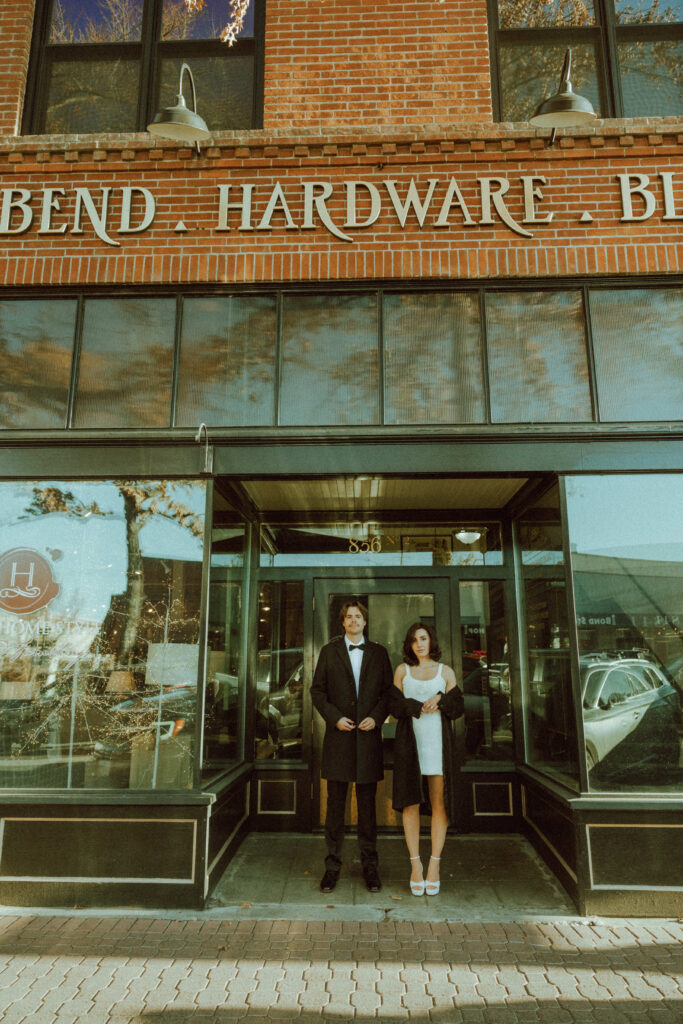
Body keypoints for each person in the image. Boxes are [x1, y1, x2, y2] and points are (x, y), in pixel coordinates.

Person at [311, 599, 393, 894]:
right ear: (342, 622)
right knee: (335, 808)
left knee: (368, 809)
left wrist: (376, 717)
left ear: (364, 622)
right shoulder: (328, 652)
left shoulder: (379, 653)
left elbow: (388, 693)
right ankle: (332, 868)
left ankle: (370, 867)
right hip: (339, 739)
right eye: (349, 617)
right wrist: (334, 718)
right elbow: (317, 690)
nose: (354, 620)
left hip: (369, 739)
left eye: (358, 616)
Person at [390, 622, 464, 896]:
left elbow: (458, 707)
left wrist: (441, 698)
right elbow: (393, 705)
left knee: (438, 804)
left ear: (431, 641)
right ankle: (415, 866)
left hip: (437, 745)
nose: (419, 644)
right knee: (410, 803)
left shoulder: (445, 672)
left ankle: (434, 865)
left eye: (423, 638)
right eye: (414, 640)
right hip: (410, 745)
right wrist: (414, 705)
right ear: (409, 646)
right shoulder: (402, 671)